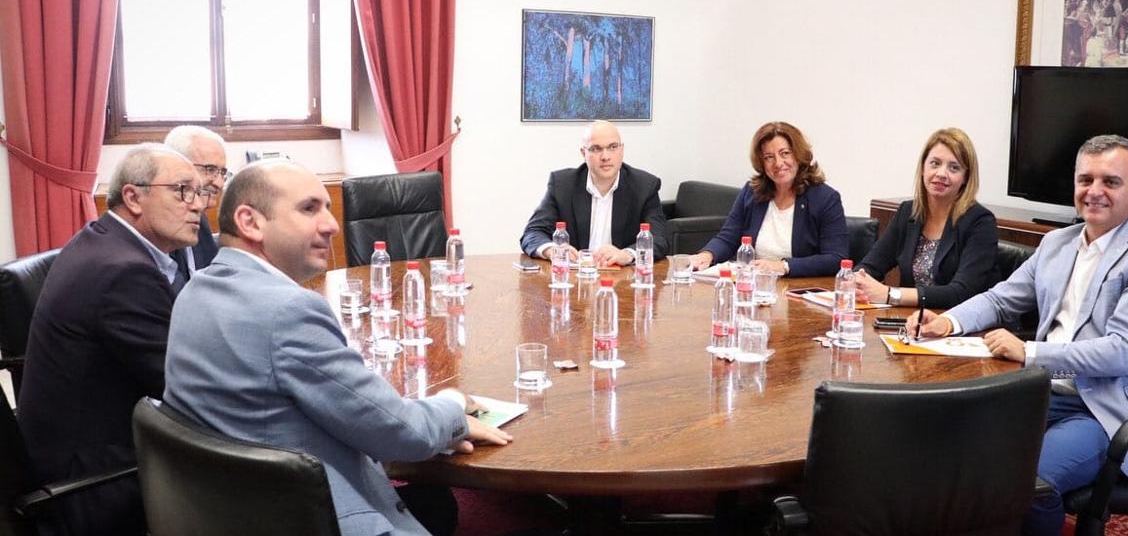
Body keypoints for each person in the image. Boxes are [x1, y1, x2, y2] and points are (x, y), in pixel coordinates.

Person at [164, 160, 511, 536]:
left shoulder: (195, 290)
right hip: (317, 516)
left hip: (238, 509)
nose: (331, 224)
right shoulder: (288, 311)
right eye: (309, 208)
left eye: (328, 209)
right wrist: (454, 405)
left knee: (436, 504)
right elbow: (403, 433)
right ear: (250, 222)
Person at [907, 135, 1128, 536]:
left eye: (1110, 182)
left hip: (1109, 411)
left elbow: (1123, 352)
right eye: (1085, 179)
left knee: (1030, 482)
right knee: (946, 441)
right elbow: (1003, 298)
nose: (1094, 192)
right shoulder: (1058, 243)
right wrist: (946, 322)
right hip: (1043, 393)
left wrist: (1030, 351)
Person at [18, 144, 209, 536]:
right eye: (181, 190)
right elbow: (188, 391)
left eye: (200, 192)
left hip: (85, 445)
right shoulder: (123, 274)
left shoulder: (104, 241)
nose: (198, 205)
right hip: (98, 481)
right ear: (133, 197)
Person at [854, 128, 998, 307]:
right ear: (923, 168)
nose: (941, 173)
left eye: (954, 168)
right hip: (911, 321)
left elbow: (962, 292)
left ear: (965, 178)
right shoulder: (909, 211)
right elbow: (871, 266)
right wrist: (856, 281)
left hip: (957, 324)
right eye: (935, 163)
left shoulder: (980, 222)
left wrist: (891, 294)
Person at [690, 121, 847, 277]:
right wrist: (707, 255)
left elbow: (835, 258)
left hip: (797, 290)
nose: (778, 163)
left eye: (785, 153)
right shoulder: (752, 192)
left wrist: (783, 266)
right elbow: (728, 238)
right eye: (769, 157)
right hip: (752, 286)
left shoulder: (825, 198)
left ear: (799, 155)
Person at [520, 120, 668, 265]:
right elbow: (533, 233)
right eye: (596, 149)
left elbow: (659, 240)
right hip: (574, 280)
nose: (605, 156)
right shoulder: (562, 185)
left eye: (613, 147)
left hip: (623, 279)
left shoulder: (645, 186)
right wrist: (551, 250)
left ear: (622, 150)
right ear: (583, 153)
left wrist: (627, 254)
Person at [164, 124, 229, 279]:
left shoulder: (199, 219)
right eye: (210, 170)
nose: (219, 183)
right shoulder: (161, 225)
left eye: (222, 172)